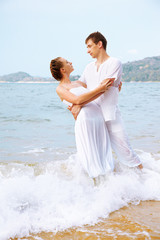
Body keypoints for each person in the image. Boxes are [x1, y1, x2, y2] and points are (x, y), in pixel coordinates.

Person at [69, 31, 143, 169]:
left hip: (111, 116)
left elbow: (103, 89)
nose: (87, 51)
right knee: (97, 157)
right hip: (94, 117)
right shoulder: (89, 67)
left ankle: (146, 181)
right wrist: (65, 86)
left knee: (126, 152)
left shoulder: (115, 62)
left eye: (90, 46)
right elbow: (80, 84)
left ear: (100, 44)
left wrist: (80, 102)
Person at [50, 57, 115, 179]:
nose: (71, 62)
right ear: (63, 69)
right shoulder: (60, 89)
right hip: (85, 120)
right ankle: (93, 186)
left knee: (103, 151)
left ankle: (109, 183)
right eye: (68, 62)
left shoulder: (79, 83)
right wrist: (98, 90)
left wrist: (108, 88)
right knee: (90, 154)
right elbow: (77, 99)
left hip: (98, 117)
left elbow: (97, 94)